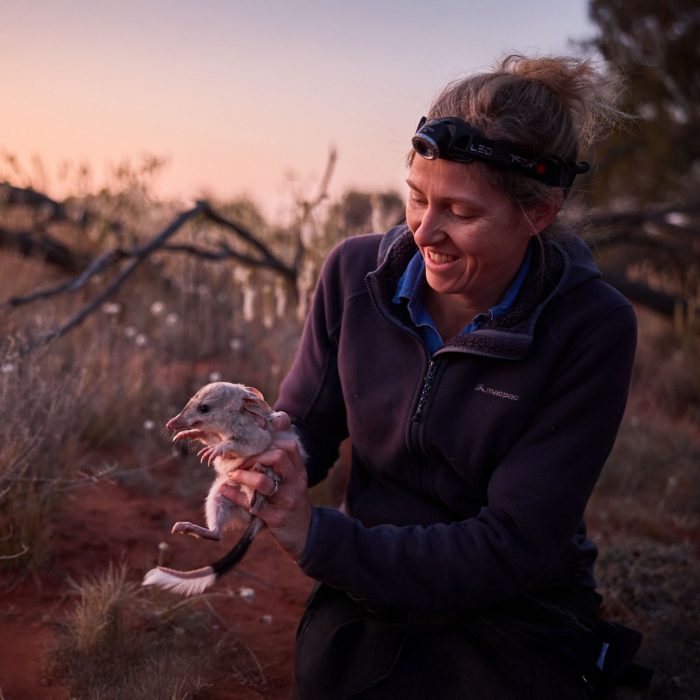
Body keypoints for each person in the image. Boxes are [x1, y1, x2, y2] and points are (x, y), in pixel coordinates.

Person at [221, 54, 643, 699]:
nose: (425, 231)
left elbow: (511, 543)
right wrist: (268, 456)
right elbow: (308, 424)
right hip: (366, 588)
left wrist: (318, 536)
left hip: (515, 603)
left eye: (460, 213)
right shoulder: (354, 274)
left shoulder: (591, 326)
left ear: (541, 212)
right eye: (416, 198)